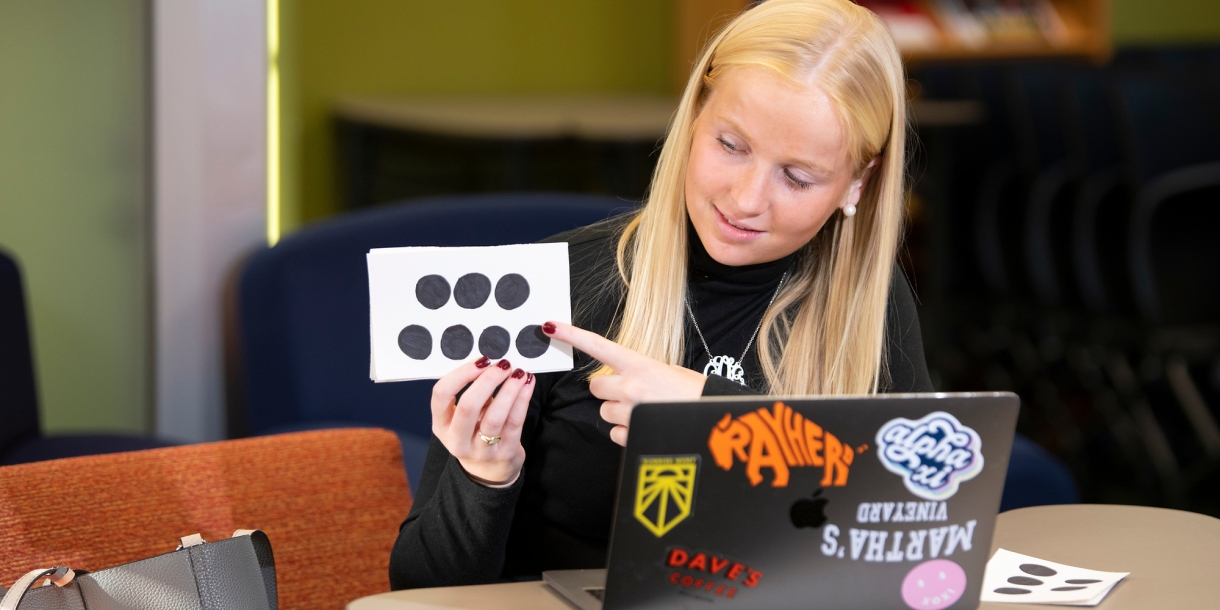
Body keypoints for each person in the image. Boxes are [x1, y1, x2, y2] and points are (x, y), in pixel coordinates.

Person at [389, 0, 930, 589]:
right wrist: (484, 476)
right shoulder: (556, 286)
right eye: (731, 145)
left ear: (858, 181)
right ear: (694, 115)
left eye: (797, 177)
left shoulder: (865, 301)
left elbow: (915, 532)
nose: (747, 199)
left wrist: (718, 419)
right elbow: (418, 590)